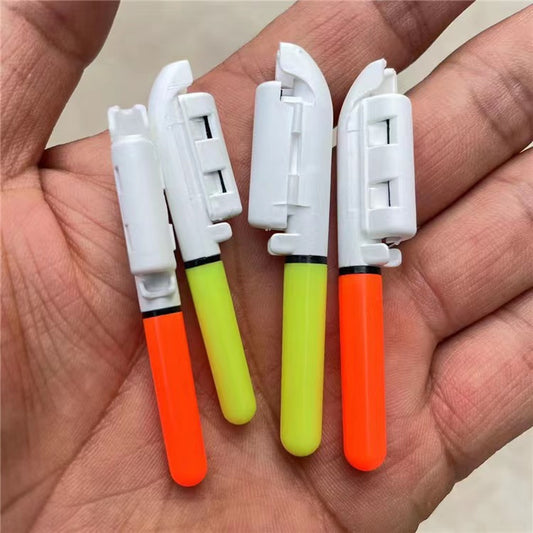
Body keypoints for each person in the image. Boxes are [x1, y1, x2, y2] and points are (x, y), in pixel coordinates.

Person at [2, 2, 532, 531]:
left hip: (306, 254)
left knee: (274, 418)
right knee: (251, 409)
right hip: (244, 259)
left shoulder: (335, 126)